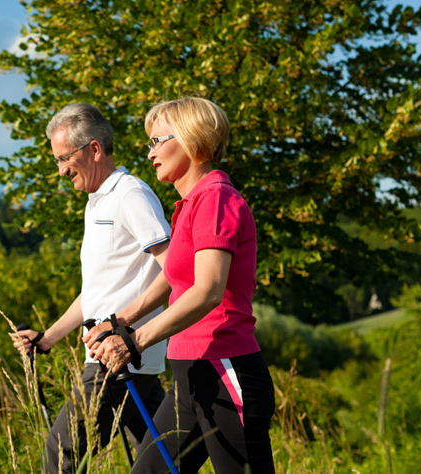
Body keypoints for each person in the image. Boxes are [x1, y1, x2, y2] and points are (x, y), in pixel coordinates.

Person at [90, 97, 276, 473]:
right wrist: (119, 320)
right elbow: (174, 277)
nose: (151, 153)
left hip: (225, 369)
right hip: (189, 374)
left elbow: (207, 290)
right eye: (150, 144)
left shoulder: (216, 199)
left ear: (193, 140)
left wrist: (136, 340)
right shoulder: (190, 205)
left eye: (158, 141)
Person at [12, 103, 171, 474]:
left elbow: (175, 269)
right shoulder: (96, 201)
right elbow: (97, 292)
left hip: (119, 359)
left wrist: (122, 325)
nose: (61, 170)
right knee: (158, 462)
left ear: (94, 149)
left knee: (60, 456)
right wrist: (47, 339)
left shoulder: (131, 195)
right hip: (123, 359)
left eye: (64, 158)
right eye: (56, 160)